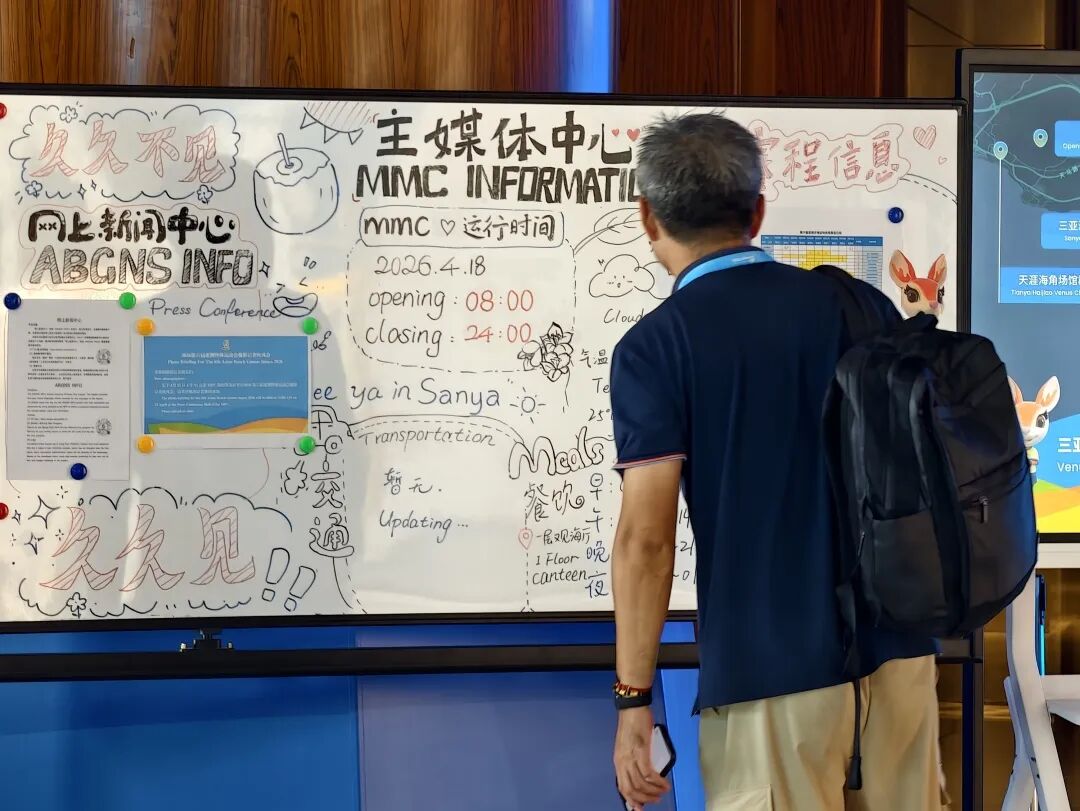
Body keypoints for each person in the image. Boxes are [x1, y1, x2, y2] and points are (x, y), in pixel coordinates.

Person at [608, 112, 945, 811]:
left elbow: (647, 540)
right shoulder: (861, 305)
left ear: (647, 217)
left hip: (769, 672)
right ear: (757, 213)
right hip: (898, 656)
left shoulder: (657, 346)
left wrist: (633, 698)